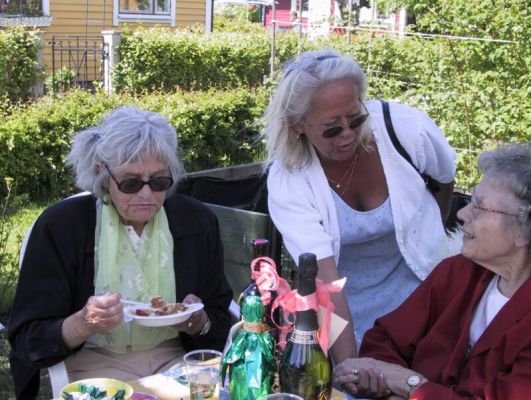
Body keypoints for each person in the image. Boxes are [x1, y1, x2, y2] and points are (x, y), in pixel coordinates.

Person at [8, 107, 233, 399]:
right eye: (130, 183)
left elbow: (219, 314)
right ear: (103, 174)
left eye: (159, 181)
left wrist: (198, 322)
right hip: (93, 366)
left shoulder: (197, 222)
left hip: (177, 360)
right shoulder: (62, 227)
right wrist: (84, 323)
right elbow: (28, 338)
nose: (146, 194)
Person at [264, 48, 456, 363]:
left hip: (424, 298)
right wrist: (350, 369)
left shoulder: (405, 129)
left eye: (356, 118)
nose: (348, 134)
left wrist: (433, 231)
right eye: (331, 128)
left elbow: (444, 179)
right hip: (348, 313)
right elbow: (326, 283)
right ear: (298, 124)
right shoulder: (289, 180)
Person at [334, 142, 531, 399]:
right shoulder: (457, 272)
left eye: (480, 207)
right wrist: (382, 381)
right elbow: (385, 339)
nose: (462, 214)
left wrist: (409, 384)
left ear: (524, 231)